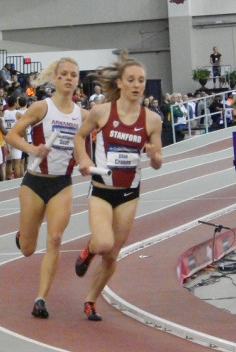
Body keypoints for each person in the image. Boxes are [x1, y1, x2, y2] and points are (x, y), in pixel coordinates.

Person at [73, 50, 162, 321]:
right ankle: (89, 249)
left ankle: (90, 300)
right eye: (132, 80)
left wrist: (153, 154)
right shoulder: (101, 112)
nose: (137, 85)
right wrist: (85, 158)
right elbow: (79, 137)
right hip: (101, 191)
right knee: (103, 242)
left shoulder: (152, 120)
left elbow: (158, 160)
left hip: (129, 194)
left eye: (141, 80)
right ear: (121, 83)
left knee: (112, 255)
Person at [5, 57, 88, 319]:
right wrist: (33, 149)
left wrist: (85, 161)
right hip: (34, 183)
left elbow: (86, 146)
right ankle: (23, 234)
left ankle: (40, 298)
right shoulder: (42, 107)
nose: (68, 79)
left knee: (54, 239)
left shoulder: (82, 116)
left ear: (77, 80)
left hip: (61, 185)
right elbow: (12, 135)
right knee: (28, 249)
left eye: (73, 75)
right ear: (55, 78)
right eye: (63, 74)